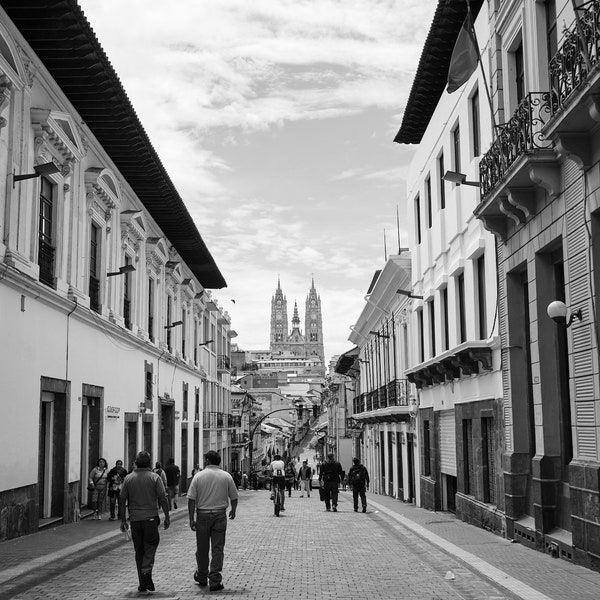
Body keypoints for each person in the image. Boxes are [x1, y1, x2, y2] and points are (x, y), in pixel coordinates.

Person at [188, 450, 238, 592]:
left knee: (202, 549)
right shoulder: (226, 476)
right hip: (220, 516)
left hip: (202, 515)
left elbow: (191, 499)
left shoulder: (198, 476)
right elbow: (234, 497)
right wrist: (233, 510)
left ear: (208, 461)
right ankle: (215, 580)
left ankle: (202, 575)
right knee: (217, 548)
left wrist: (191, 518)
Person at [120, 451, 170, 593]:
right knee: (151, 545)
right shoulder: (155, 478)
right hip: (151, 518)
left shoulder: (128, 479)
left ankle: (142, 583)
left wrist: (123, 520)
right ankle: (146, 571)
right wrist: (167, 516)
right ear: (149, 463)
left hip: (135, 520)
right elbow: (162, 498)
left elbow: (122, 499)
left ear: (136, 462)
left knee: (139, 551)